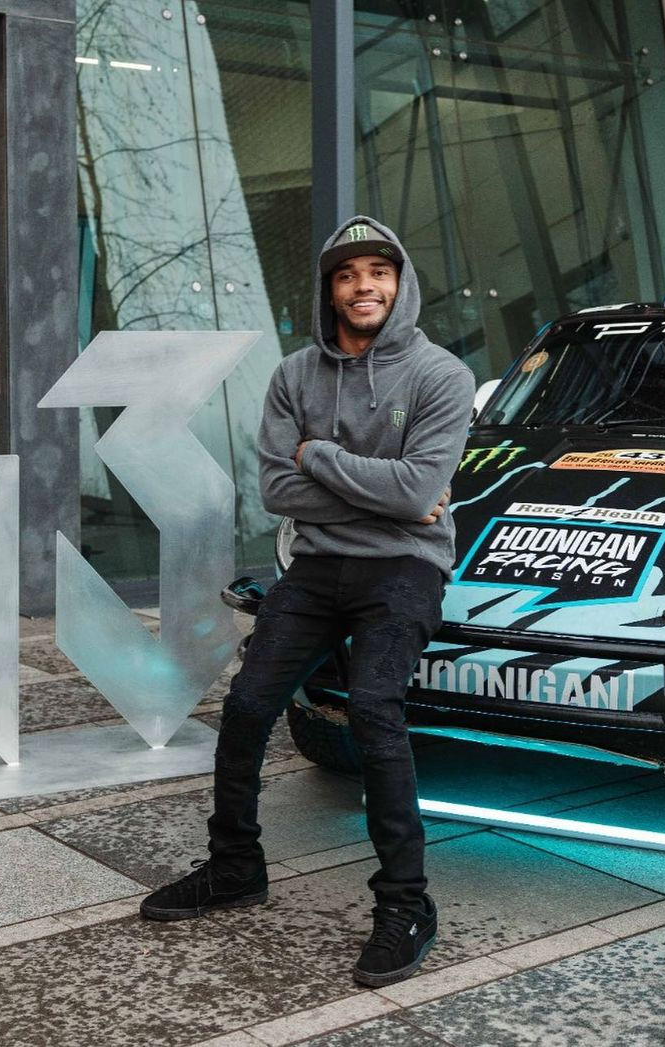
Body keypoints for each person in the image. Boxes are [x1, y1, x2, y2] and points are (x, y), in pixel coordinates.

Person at [140, 216, 476, 987]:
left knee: (372, 707)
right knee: (249, 704)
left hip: (405, 567)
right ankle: (234, 865)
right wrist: (384, 491)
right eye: (348, 273)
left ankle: (406, 904)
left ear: (401, 281)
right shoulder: (294, 375)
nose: (366, 286)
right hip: (318, 568)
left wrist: (319, 457)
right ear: (330, 288)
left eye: (379, 271)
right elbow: (275, 490)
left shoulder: (441, 376)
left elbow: (419, 494)